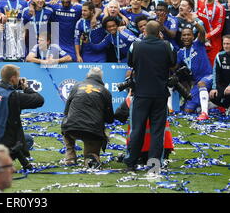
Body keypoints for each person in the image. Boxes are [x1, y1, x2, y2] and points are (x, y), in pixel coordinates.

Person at [123, 20, 176, 170]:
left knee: (137, 129)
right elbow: (173, 63)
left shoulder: (136, 45)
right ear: (159, 33)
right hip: (160, 94)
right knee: (157, 131)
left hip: (141, 94)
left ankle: (131, 161)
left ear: (145, 31)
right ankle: (154, 164)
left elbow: (130, 63)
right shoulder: (167, 45)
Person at [61, 67, 114, 168]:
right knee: (90, 160)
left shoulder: (76, 86)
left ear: (87, 76)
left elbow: (66, 112)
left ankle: (70, 155)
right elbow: (110, 119)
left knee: (66, 122)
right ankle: (90, 157)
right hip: (92, 132)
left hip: (71, 129)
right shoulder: (106, 92)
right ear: (101, 79)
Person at [177, 21, 213, 120]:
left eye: (189, 35)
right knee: (187, 110)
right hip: (196, 83)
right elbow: (173, 67)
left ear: (193, 37)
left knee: (202, 83)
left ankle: (205, 113)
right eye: (184, 35)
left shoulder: (198, 44)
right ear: (181, 37)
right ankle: (210, 104)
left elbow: (202, 31)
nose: (186, 37)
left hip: (209, 76)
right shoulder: (180, 53)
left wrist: (194, 22)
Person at [197, 0, 224, 66]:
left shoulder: (219, 8)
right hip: (201, 41)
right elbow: (198, 17)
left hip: (213, 44)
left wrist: (206, 36)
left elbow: (219, 28)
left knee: (211, 69)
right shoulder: (200, 2)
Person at [210, 35, 230, 113]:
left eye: (228, 44)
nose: (225, 46)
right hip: (223, 86)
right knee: (213, 96)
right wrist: (214, 88)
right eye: (224, 43)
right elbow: (216, 73)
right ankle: (225, 106)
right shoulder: (219, 56)